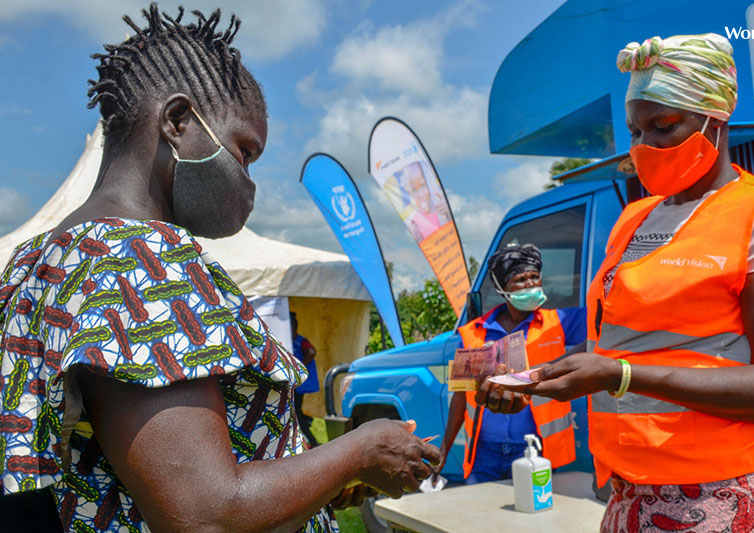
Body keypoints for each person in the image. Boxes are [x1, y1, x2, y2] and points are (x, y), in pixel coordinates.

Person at [0, 6, 440, 532]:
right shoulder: (137, 263)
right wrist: (361, 450)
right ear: (178, 122)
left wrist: (319, 482)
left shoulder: (36, 261)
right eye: (245, 151)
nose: (249, 181)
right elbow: (207, 516)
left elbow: (116, 470)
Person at [488, 34, 754, 531]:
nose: (645, 147)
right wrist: (538, 382)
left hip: (730, 494)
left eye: (664, 127)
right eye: (634, 132)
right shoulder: (634, 219)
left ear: (715, 120)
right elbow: (624, 341)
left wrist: (619, 374)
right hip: (637, 490)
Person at [434, 243, 586, 484]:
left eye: (535, 277)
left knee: (534, 517)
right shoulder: (474, 333)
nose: (531, 285)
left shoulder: (558, 322)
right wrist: (443, 450)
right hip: (484, 454)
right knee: (483, 517)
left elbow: (603, 329)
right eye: (520, 279)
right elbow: (461, 396)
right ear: (501, 288)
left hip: (536, 448)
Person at [291, 312, 319, 447]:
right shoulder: (291, 341)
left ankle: (312, 441)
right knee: (296, 412)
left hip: (299, 385)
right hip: (295, 384)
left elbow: (312, 352)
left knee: (296, 413)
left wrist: (300, 365)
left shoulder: (300, 341)